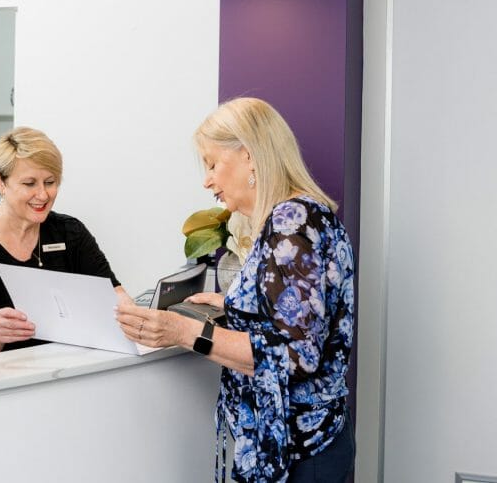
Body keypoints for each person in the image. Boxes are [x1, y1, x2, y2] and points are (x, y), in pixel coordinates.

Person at [116, 98, 356, 482]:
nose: (207, 180)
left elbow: (295, 356)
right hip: (307, 444)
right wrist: (233, 305)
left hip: (301, 454)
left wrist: (185, 331)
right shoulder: (303, 216)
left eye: (212, 163)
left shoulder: (290, 223)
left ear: (249, 156)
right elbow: (299, 316)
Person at [0, 126, 129, 354]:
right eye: (29, 184)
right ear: (0, 182)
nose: (42, 195)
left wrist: (134, 317)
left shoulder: (70, 234)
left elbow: (113, 294)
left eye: (50, 182)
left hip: (40, 368)